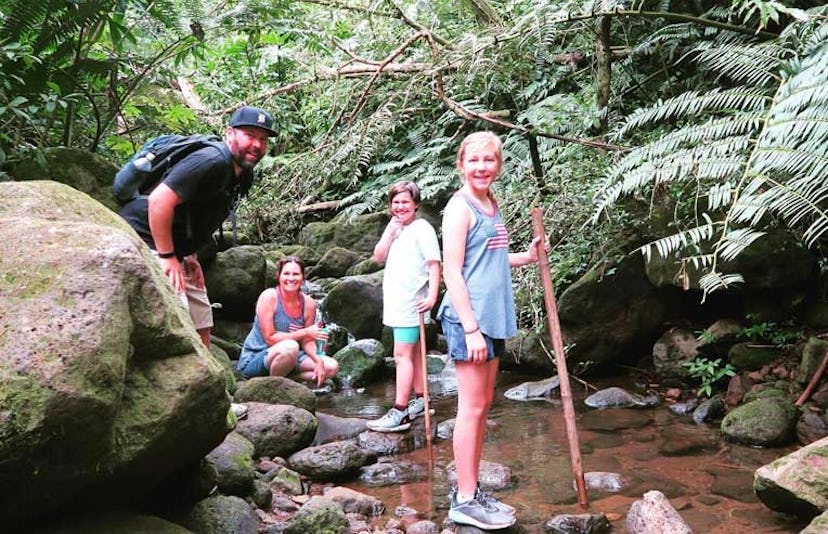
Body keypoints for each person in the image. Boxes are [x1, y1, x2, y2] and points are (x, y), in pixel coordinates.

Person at [436, 131, 542, 530]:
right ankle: (463, 500)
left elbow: (491, 258)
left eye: (489, 160)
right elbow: (452, 270)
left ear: (498, 165)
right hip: (471, 319)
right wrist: (471, 328)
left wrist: (527, 257)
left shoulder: (489, 202)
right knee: (472, 409)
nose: (482, 167)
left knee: (482, 409)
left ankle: (472, 488)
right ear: (461, 164)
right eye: (474, 160)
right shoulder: (459, 208)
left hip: (490, 317)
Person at [119, 105, 276, 349]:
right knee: (177, 316)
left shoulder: (243, 174)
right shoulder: (210, 161)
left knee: (202, 318)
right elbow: (159, 201)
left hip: (174, 245)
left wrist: (188, 253)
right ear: (230, 133)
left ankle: (207, 379)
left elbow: (200, 212)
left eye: (263, 140)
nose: (257, 145)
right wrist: (168, 257)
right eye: (250, 135)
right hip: (145, 236)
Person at [367, 181, 441, 432]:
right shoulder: (394, 228)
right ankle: (421, 399)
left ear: (416, 204)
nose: (400, 207)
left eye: (405, 203)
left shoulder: (423, 228)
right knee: (416, 352)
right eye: (395, 203)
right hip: (397, 301)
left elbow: (434, 264)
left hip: (413, 303)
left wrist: (432, 297)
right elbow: (378, 257)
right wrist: (390, 231)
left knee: (401, 355)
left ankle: (400, 411)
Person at [237, 256, 339, 387]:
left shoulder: (309, 304)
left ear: (302, 278)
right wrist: (305, 332)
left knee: (331, 367)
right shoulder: (269, 297)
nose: (291, 278)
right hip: (257, 357)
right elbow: (270, 338)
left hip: (290, 356)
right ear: (278, 276)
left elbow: (307, 341)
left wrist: (318, 359)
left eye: (296, 274)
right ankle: (273, 387)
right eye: (286, 274)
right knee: (290, 346)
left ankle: (288, 382)